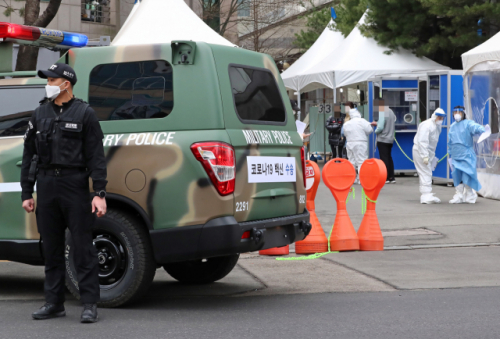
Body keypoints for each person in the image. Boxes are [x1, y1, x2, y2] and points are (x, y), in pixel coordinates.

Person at [21, 63, 107, 323]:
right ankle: (53, 303)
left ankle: (89, 303)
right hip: (47, 186)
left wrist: (99, 192)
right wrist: (27, 192)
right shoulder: (39, 113)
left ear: (66, 83)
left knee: (82, 247)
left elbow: (96, 157)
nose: (48, 83)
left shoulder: (85, 113)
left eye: (51, 79)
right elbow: (29, 155)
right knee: (52, 248)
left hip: (75, 185)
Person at [448, 106, 487, 204]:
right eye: (455, 112)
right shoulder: (452, 126)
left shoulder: (468, 123)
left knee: (468, 174)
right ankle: (459, 195)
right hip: (456, 155)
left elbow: (475, 127)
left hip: (466, 155)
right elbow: (450, 141)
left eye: (459, 112)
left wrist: (483, 130)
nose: (457, 114)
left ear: (463, 114)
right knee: (457, 175)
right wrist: (450, 153)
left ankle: (470, 194)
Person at [412, 108, 445, 204]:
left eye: (442, 118)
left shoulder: (436, 126)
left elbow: (432, 143)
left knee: (426, 172)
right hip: (420, 151)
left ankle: (427, 194)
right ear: (435, 116)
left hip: (427, 153)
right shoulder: (427, 125)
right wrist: (424, 156)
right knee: (426, 172)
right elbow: (422, 142)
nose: (441, 119)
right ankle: (426, 195)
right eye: (439, 117)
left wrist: (429, 156)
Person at [342, 102, 373, 183]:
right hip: (360, 142)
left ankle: (353, 179)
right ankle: (361, 179)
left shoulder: (346, 123)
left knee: (351, 161)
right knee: (361, 162)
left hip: (349, 143)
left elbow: (344, 134)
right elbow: (370, 130)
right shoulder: (362, 121)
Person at [371, 100, 396, 183]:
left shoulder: (382, 112)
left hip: (383, 139)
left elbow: (381, 127)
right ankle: (391, 177)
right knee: (389, 157)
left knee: (384, 158)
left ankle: (385, 177)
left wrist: (375, 131)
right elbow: (386, 122)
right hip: (390, 139)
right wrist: (378, 123)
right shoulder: (391, 111)